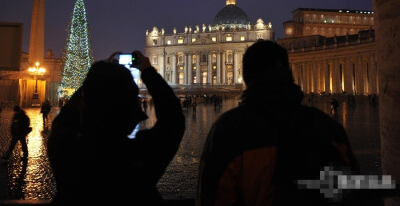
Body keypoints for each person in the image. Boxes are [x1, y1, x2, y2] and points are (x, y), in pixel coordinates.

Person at [197, 40, 358, 206]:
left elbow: (211, 196)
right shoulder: (330, 128)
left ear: (246, 77)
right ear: (289, 73)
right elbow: (352, 191)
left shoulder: (228, 130)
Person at [47, 51, 185, 205]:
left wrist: (98, 77)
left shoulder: (66, 148)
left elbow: (66, 117)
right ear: (131, 113)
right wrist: (148, 71)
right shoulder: (139, 153)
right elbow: (173, 119)